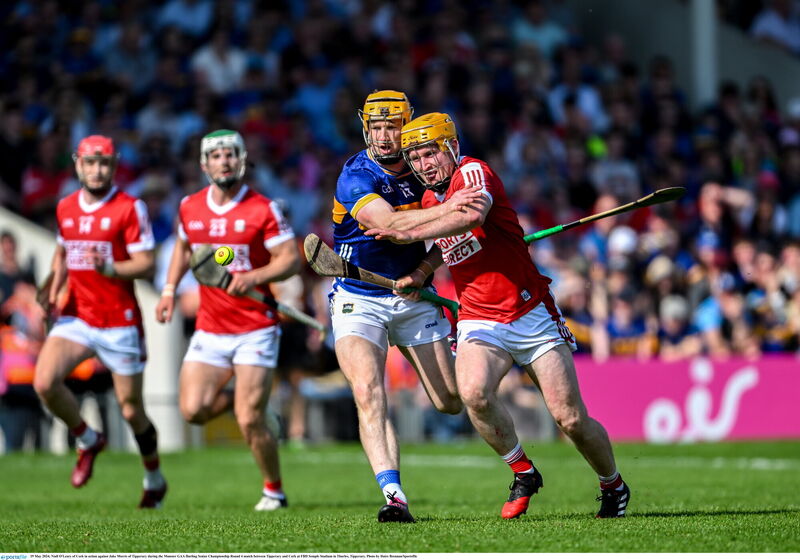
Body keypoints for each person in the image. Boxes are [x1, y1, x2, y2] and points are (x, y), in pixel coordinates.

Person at [366, 112, 631, 519]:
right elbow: (445, 239)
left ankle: (612, 484)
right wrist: (421, 271)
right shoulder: (429, 201)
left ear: (451, 147)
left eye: (429, 153)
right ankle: (523, 471)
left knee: (570, 418)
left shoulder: (474, 173)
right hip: (478, 317)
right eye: (415, 157)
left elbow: (470, 216)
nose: (423, 164)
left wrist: (405, 232)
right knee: (472, 392)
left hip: (530, 311)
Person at [329, 91, 481, 523]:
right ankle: (394, 494)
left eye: (391, 126)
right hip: (359, 296)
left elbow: (448, 237)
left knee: (451, 401)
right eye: (374, 127)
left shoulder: (426, 169)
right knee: (367, 390)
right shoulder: (355, 176)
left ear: (407, 125)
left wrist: (425, 269)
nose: (382, 136)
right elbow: (389, 224)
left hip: (413, 297)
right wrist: (453, 207)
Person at [155, 129, 300, 511]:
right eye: (215, 156)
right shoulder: (189, 206)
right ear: (204, 164)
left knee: (249, 421)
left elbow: (289, 259)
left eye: (230, 155)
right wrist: (169, 289)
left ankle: (274, 490)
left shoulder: (262, 208)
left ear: (242, 160)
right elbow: (184, 248)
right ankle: (249, 400)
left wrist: (252, 277)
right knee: (193, 410)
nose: (223, 161)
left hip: (256, 325)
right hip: (211, 326)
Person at [33, 135, 167, 508]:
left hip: (119, 320)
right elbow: (62, 253)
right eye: (90, 162)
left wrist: (110, 267)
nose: (96, 169)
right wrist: (52, 287)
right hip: (78, 315)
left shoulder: (129, 208)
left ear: (114, 165)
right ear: (77, 164)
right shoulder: (65, 207)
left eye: (104, 163)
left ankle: (154, 477)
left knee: (130, 410)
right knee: (44, 382)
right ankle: (87, 438)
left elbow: (147, 264)